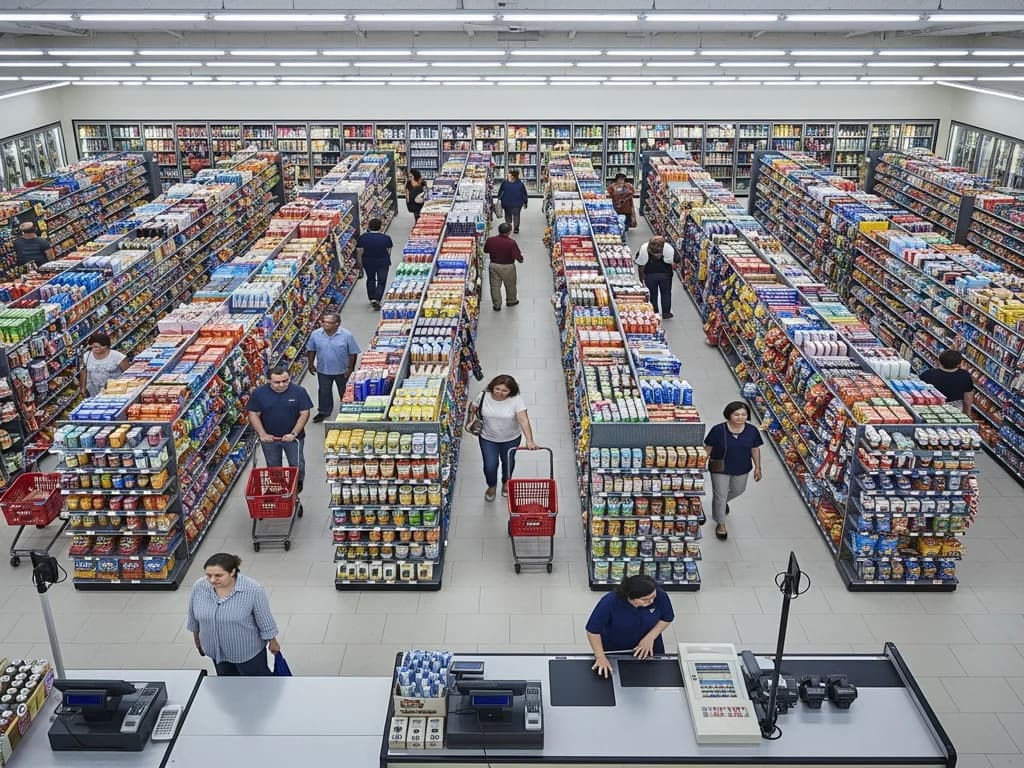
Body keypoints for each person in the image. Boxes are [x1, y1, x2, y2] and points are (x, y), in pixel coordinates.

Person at [186, 553, 281, 677]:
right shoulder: (199, 586)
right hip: (217, 652)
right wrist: (198, 641)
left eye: (218, 575)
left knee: (257, 684)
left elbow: (264, 620)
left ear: (232, 572)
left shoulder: (253, 590)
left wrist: (272, 642)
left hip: (247, 653)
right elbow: (193, 615)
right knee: (228, 684)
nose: (212, 580)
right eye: (208, 575)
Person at [585, 574, 675, 678]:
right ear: (630, 597)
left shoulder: (659, 594)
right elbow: (592, 630)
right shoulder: (609, 602)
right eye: (645, 599)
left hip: (649, 648)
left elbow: (667, 617)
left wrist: (650, 638)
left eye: (653, 597)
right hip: (616, 649)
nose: (651, 601)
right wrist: (600, 656)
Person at [468, 374, 537, 502]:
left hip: (511, 438)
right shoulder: (483, 395)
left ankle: (506, 482)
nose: (500, 393)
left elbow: (523, 419)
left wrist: (529, 440)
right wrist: (471, 420)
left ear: (511, 391)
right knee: (490, 465)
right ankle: (491, 486)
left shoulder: (516, 400)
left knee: (508, 462)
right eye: (497, 389)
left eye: (505, 390)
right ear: (492, 386)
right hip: (488, 438)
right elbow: (473, 407)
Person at [246, 366, 314, 492]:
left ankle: (297, 484)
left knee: (297, 464)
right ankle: (279, 487)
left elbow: (304, 413)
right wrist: (262, 434)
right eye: (277, 382)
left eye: (285, 380)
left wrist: (294, 433)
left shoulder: (299, 391)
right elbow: (253, 413)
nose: (282, 384)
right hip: (270, 439)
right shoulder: (259, 393)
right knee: (273, 466)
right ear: (269, 381)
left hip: (294, 438)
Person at [704, 401, 764, 541]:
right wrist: (701, 462)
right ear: (728, 415)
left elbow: (755, 449)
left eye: (744, 414)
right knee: (720, 495)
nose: (740, 417)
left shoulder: (752, 431)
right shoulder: (718, 430)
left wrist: (758, 467)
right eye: (736, 414)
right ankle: (721, 524)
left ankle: (722, 503)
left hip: (742, 467)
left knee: (738, 490)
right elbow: (708, 447)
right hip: (720, 467)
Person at [306, 312, 360, 423]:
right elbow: (311, 349)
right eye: (323, 322)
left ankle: (347, 409)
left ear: (337, 324)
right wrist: (310, 363)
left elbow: (353, 353)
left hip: (342, 370)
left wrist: (350, 368)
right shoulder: (315, 334)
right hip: (323, 369)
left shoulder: (346, 335)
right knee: (324, 391)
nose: (325, 324)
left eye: (329, 322)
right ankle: (324, 411)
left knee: (344, 391)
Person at [921, 349, 975, 418]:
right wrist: (967, 414)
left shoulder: (928, 374)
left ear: (939, 362)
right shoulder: (965, 376)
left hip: (932, 410)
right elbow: (968, 398)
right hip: (955, 412)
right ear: (959, 364)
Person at [355, 217, 393, 310]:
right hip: (383, 262)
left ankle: (371, 298)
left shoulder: (363, 238)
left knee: (370, 278)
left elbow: (359, 253)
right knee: (381, 281)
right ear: (380, 227)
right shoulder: (386, 238)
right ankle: (377, 299)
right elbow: (389, 252)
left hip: (368, 262)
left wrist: (360, 266)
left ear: (369, 227)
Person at [635, 235, 677, 319]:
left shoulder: (644, 249)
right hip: (665, 275)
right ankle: (666, 312)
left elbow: (641, 265)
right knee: (666, 294)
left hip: (650, 275)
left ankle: (654, 312)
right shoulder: (668, 249)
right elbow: (676, 259)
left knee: (653, 294)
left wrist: (641, 279)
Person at [483, 223, 524, 311]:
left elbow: (485, 250)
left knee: (494, 286)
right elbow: (517, 255)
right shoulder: (511, 242)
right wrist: (520, 259)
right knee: (510, 285)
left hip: (494, 265)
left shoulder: (491, 240)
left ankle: (497, 305)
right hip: (508, 266)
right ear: (509, 232)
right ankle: (511, 301)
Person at [78, 331, 130, 397]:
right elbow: (83, 372)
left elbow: (128, 373)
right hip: (94, 390)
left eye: (96, 347)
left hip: (115, 390)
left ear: (105, 346)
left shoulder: (117, 356)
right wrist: (83, 387)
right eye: (92, 347)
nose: (93, 349)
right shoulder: (86, 356)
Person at [495, 169, 529, 234]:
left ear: (513, 176)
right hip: (515, 203)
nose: (508, 175)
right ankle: (514, 228)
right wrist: (525, 202)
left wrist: (499, 197)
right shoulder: (520, 184)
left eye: (509, 174)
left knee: (509, 216)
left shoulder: (505, 183)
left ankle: (509, 227)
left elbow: (500, 192)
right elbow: (524, 194)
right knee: (515, 215)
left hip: (508, 202)